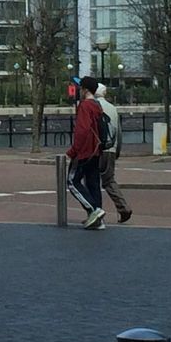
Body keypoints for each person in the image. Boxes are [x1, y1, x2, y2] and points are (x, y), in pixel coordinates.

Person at [67, 76, 106, 229]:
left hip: (84, 151)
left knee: (72, 182)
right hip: (96, 150)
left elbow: (82, 130)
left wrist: (73, 151)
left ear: (85, 89)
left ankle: (93, 210)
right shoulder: (97, 105)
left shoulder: (84, 106)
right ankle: (98, 220)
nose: (78, 89)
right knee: (93, 183)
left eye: (80, 87)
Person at [95, 84, 132, 224]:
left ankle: (95, 211)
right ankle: (123, 207)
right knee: (109, 181)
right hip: (110, 149)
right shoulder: (112, 108)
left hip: (97, 149)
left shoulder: (91, 105)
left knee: (91, 181)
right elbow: (119, 132)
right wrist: (116, 150)